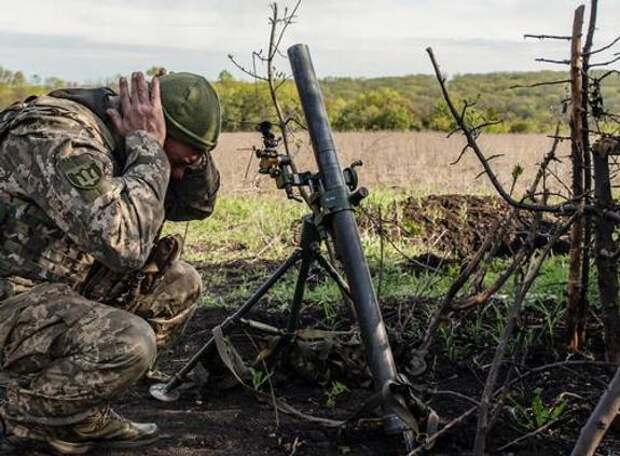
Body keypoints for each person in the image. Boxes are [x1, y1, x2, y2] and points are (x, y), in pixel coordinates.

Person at [0, 71, 221, 454]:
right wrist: (149, 148)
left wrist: (188, 159)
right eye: (177, 162)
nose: (178, 174)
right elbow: (125, 244)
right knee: (128, 342)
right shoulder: (57, 136)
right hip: (10, 294)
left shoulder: (126, 138)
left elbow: (196, 205)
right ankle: (18, 417)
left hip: (50, 284)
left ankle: (76, 413)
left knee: (178, 284)